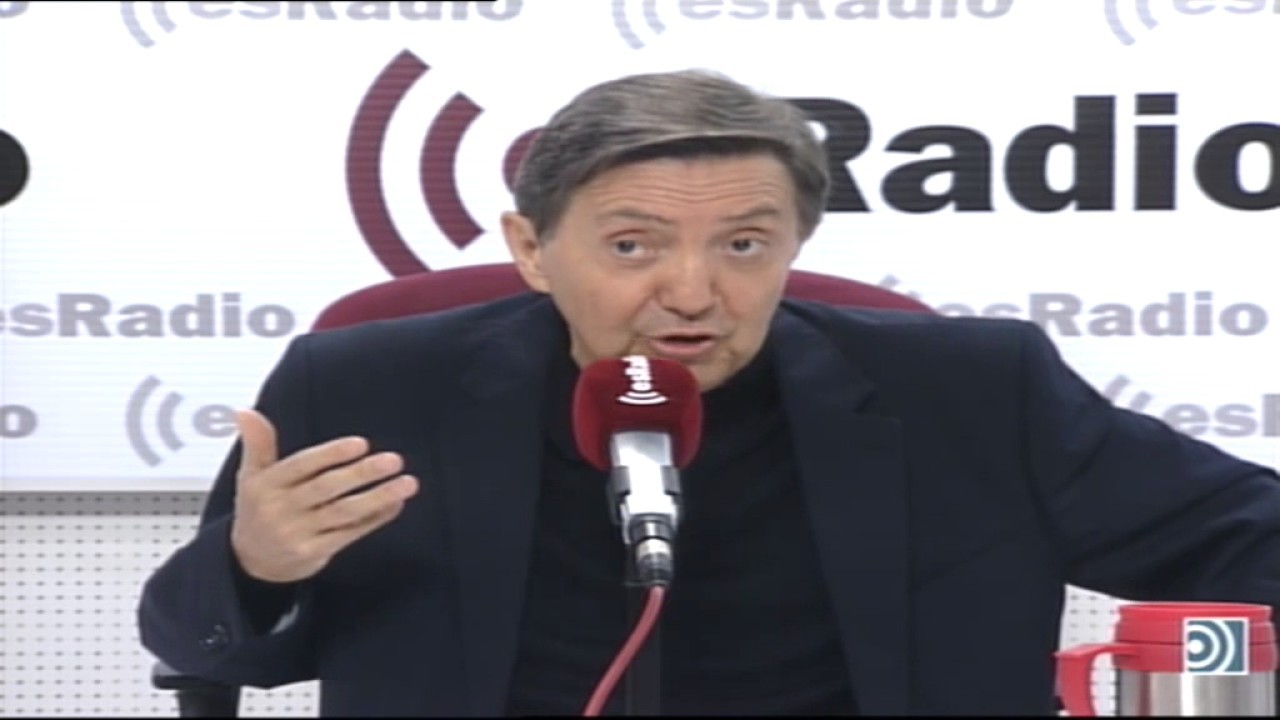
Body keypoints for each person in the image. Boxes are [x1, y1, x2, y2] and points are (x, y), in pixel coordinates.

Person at [138, 69, 1280, 716]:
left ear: (794, 245)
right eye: (631, 246)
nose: (692, 292)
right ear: (532, 250)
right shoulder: (370, 384)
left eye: (743, 244)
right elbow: (204, 644)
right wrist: (253, 565)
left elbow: (1244, 542)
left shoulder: (972, 395)